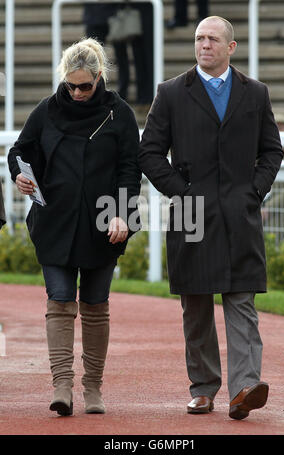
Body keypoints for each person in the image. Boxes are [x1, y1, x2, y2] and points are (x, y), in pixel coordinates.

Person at [139, 16, 283, 419]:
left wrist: (253, 190)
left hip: (240, 214)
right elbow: (149, 152)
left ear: (230, 47)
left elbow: (272, 151)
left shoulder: (255, 93)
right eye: (200, 38)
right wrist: (181, 192)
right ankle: (203, 388)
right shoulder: (170, 93)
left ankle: (244, 388)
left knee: (242, 301)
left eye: (213, 39)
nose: (204, 45)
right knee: (196, 303)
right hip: (189, 213)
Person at [8, 37, 141, 416]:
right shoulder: (46, 110)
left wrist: (121, 213)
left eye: (85, 85)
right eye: (71, 85)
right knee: (60, 299)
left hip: (105, 222)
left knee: (96, 305)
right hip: (54, 221)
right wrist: (19, 173)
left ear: (100, 77)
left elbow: (129, 170)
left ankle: (93, 387)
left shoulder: (120, 114)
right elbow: (19, 150)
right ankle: (62, 386)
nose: (78, 92)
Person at [83, 2, 153, 107]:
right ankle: (95, 95)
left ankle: (123, 94)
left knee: (121, 58)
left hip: (114, 14)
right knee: (93, 61)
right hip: (97, 15)